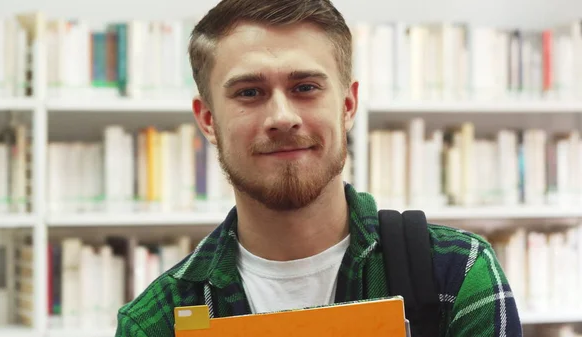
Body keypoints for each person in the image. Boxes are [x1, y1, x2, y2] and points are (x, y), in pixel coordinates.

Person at [115, 0, 522, 336]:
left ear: (347, 105)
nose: (282, 116)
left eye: (305, 88)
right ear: (207, 121)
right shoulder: (157, 320)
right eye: (249, 92)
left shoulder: (456, 272)